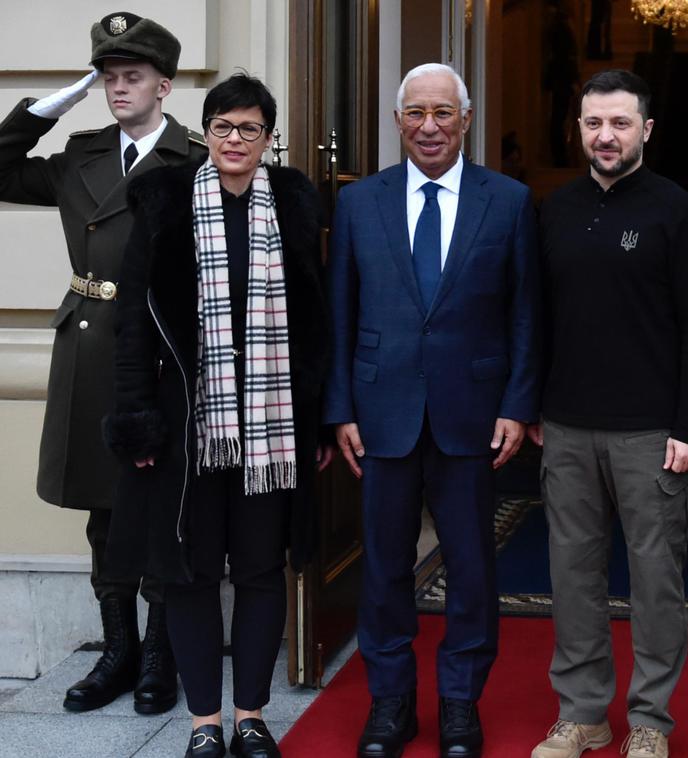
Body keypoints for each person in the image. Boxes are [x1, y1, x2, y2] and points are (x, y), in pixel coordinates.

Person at [104, 73, 328, 757]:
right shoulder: (166, 204)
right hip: (188, 433)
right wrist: (139, 416)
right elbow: (133, 321)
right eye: (224, 127)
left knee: (262, 572)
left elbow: (315, 323)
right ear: (206, 133)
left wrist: (315, 420)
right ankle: (205, 724)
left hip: (270, 433)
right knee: (191, 577)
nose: (236, 140)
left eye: (250, 128)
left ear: (268, 137)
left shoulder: (292, 205)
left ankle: (252, 715)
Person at [323, 62, 540, 758]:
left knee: (473, 567)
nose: (429, 126)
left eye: (443, 113)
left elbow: (525, 315)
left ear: (467, 121)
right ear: (397, 122)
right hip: (379, 412)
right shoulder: (360, 204)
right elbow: (339, 313)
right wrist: (340, 409)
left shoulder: (507, 201)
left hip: (472, 415)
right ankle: (390, 705)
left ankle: (458, 705)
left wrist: (516, 404)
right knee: (384, 567)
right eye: (415, 112)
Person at [0, 11, 206, 715]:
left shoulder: (197, 160)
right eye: (109, 78)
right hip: (90, 347)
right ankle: (115, 651)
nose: (119, 88)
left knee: (159, 511)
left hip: (159, 350)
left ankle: (159, 656)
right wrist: (41, 109)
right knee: (101, 509)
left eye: (133, 77)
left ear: (165, 86)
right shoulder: (79, 156)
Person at [529, 68, 688, 758]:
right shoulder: (553, 208)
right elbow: (537, 317)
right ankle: (583, 714)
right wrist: (536, 405)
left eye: (620, 123)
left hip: (652, 432)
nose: (606, 137)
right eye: (593, 124)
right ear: (578, 128)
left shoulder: (677, 211)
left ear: (646, 130)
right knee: (572, 575)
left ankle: (650, 721)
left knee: (656, 582)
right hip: (568, 425)